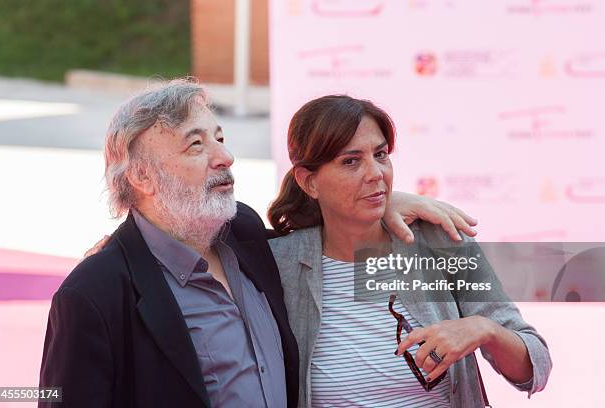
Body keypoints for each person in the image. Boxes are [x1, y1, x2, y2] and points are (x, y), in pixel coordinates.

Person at [39, 78, 477, 408]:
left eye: (220, 138)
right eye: (195, 146)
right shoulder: (92, 295)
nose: (224, 156)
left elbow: (319, 223)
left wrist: (382, 201)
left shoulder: (245, 233)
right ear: (142, 177)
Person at [267, 95, 552, 407]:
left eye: (381, 155)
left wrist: (484, 330)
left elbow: (535, 366)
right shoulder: (277, 264)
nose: (376, 173)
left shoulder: (440, 243)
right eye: (351, 161)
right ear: (309, 182)